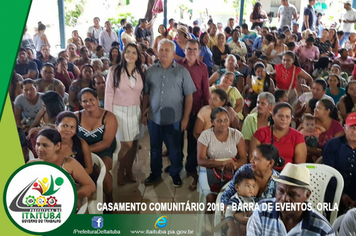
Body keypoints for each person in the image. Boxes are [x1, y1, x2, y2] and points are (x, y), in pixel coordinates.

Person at [141, 39, 196, 187]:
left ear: (173, 53)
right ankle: (155, 172)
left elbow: (189, 96)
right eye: (161, 50)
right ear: (157, 52)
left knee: (175, 148)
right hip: (154, 117)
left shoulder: (182, 71)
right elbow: (146, 93)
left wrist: (185, 118)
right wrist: (143, 113)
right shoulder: (151, 71)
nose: (164, 53)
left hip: (175, 119)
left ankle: (175, 172)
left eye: (167, 50)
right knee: (154, 147)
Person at [246, 163, 335, 235]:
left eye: (292, 194)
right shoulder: (262, 212)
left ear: (307, 195)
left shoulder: (323, 230)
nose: (285, 198)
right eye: (281, 191)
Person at [105, 43, 145, 186]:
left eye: (134, 52)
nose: (130, 55)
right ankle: (120, 171)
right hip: (119, 111)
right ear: (123, 54)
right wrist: (108, 116)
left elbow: (141, 93)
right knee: (125, 145)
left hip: (135, 111)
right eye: (127, 52)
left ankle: (129, 171)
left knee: (134, 143)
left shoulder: (140, 72)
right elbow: (109, 93)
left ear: (138, 56)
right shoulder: (114, 71)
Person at [176, 39, 210, 191]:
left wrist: (207, 110)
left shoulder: (203, 68)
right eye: (189, 49)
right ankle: (176, 165)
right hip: (178, 109)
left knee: (193, 139)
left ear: (199, 52)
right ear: (184, 49)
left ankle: (190, 167)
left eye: (194, 49)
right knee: (176, 141)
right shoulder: (177, 66)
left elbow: (206, 89)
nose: (191, 52)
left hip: (196, 109)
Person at [197, 107, 247, 208]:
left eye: (226, 120)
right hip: (208, 170)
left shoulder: (236, 135)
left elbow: (243, 158)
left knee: (237, 198)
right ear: (212, 122)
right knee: (211, 199)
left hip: (232, 169)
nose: (223, 123)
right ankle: (212, 222)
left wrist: (234, 165)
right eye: (219, 121)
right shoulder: (205, 135)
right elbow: (201, 160)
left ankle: (229, 221)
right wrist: (221, 164)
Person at [34, 128, 95, 209]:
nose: (40, 149)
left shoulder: (69, 163)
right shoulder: (32, 165)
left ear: (57, 146)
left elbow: (90, 186)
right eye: (38, 144)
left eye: (45, 145)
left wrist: (74, 196)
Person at [76, 88, 117, 204]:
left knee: (100, 169)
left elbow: (106, 142)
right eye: (84, 101)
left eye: (91, 99)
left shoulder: (108, 117)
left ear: (97, 99)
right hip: (81, 153)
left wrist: (85, 150)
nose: (88, 103)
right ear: (80, 103)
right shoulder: (75, 117)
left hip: (104, 151)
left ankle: (109, 198)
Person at [250, 102, 307, 171]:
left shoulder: (298, 136)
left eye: (287, 117)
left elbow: (299, 166)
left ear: (291, 119)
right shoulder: (261, 133)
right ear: (273, 116)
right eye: (281, 116)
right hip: (263, 173)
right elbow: (253, 159)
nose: (284, 119)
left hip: (288, 176)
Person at [225, 171, 257, 236]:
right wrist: (232, 227)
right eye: (248, 186)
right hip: (236, 226)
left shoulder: (253, 200)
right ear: (237, 187)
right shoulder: (235, 201)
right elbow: (228, 214)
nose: (251, 189)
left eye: (253, 186)